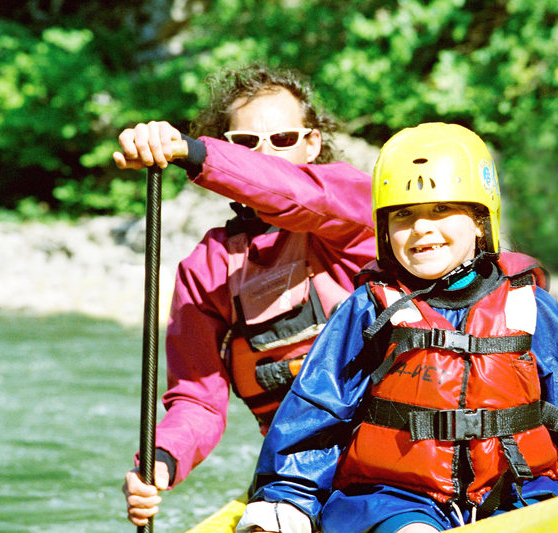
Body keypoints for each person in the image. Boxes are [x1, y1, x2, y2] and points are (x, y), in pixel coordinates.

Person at [236, 123, 558, 533]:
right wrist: (287, 499)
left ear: (480, 222)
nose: (422, 227)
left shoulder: (527, 305)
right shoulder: (371, 309)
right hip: (395, 498)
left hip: (519, 491)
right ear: (385, 231)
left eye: (441, 209)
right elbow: (319, 407)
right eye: (403, 215)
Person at [113, 64, 376, 527]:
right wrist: (160, 460)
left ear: (313, 144)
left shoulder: (350, 207)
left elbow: (295, 192)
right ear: (228, 147)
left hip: (394, 463)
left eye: (283, 139)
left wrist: (191, 151)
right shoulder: (207, 267)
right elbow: (198, 400)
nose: (266, 154)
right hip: (298, 474)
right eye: (246, 143)